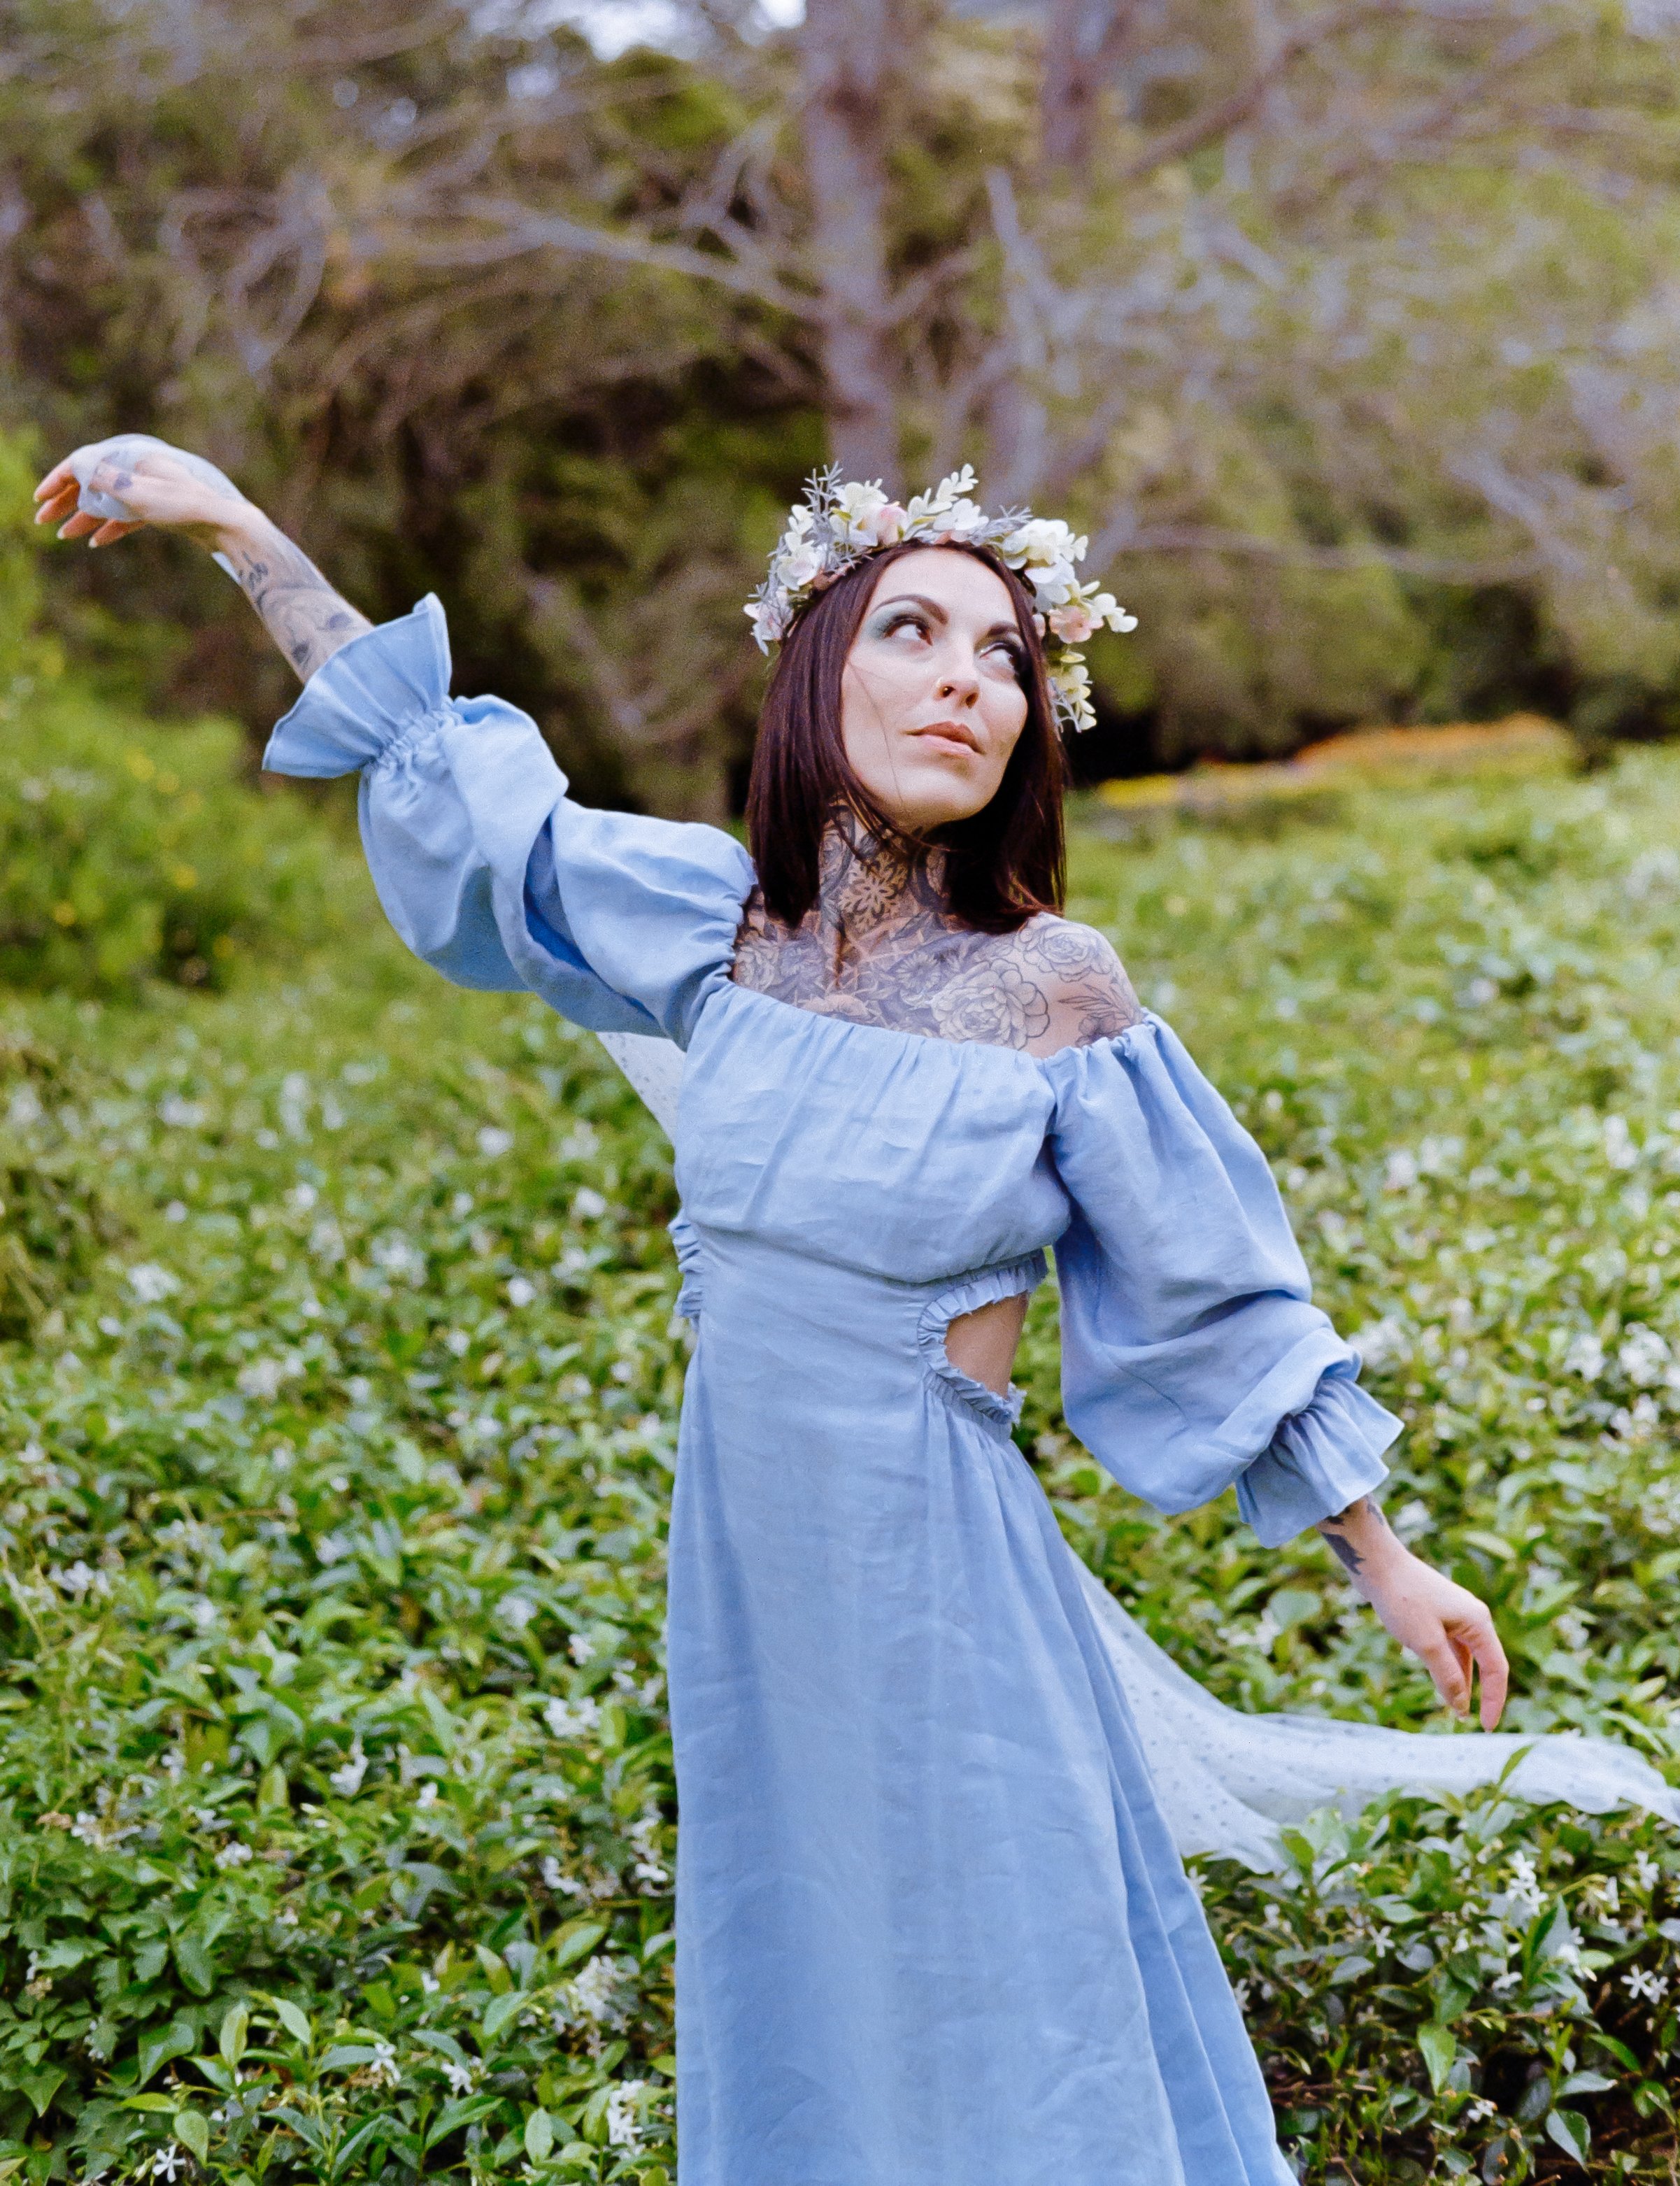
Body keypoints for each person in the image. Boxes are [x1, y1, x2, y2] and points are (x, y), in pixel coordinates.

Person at [36, 443, 1510, 2186]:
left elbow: (1216, 1293)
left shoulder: (1051, 990)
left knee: (1004, 2022)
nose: (964, 680)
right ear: (817, 670)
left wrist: (1380, 1553)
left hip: (945, 1603)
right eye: (910, 631)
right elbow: (449, 780)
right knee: (809, 2005)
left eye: (1004, 661)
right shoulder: (708, 931)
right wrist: (232, 522)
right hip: (749, 1588)